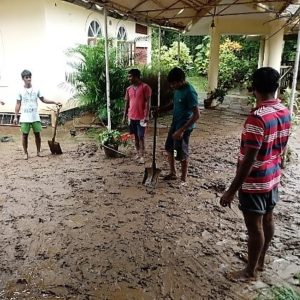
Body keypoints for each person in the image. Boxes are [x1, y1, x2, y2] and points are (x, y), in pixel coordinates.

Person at [220, 67, 291, 281]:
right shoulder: (284, 111)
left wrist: (231, 191)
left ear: (254, 88)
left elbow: (249, 160)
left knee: (254, 227)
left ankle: (249, 271)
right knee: (268, 219)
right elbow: (282, 147)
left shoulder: (257, 118)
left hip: (255, 182)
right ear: (276, 86)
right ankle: (259, 261)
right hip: (273, 177)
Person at [156, 67, 200, 185]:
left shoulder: (190, 92)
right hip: (175, 123)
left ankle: (183, 179)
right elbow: (174, 104)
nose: (172, 86)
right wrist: (161, 110)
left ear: (181, 80)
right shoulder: (177, 89)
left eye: (174, 83)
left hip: (184, 127)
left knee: (181, 153)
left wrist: (181, 130)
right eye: (171, 83)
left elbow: (196, 115)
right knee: (169, 148)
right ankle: (173, 172)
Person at [14, 69, 61, 160]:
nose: (29, 79)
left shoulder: (36, 89)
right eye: (26, 77)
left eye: (30, 77)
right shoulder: (20, 91)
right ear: (23, 79)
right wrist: (15, 116)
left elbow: (43, 99)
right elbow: (18, 104)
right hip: (25, 117)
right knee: (24, 135)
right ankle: (25, 153)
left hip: (35, 116)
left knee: (37, 134)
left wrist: (54, 102)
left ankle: (38, 152)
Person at [123, 69, 152, 164]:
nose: (129, 78)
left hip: (141, 117)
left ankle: (142, 155)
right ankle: (138, 153)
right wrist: (124, 116)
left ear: (136, 77)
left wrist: (147, 115)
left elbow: (148, 102)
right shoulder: (128, 89)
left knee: (141, 136)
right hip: (131, 116)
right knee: (135, 135)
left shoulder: (145, 87)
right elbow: (127, 103)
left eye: (130, 76)